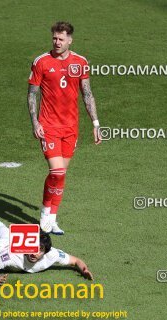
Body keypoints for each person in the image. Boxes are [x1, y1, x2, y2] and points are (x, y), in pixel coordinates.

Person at [27, 21, 101, 235]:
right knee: (56, 170)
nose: (57, 42)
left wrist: (95, 123)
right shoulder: (41, 62)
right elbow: (32, 94)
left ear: (70, 40)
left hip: (71, 127)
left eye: (61, 39)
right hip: (48, 125)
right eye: (54, 38)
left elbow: (87, 94)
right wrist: (35, 122)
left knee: (60, 174)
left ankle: (52, 217)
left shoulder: (80, 62)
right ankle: (45, 214)